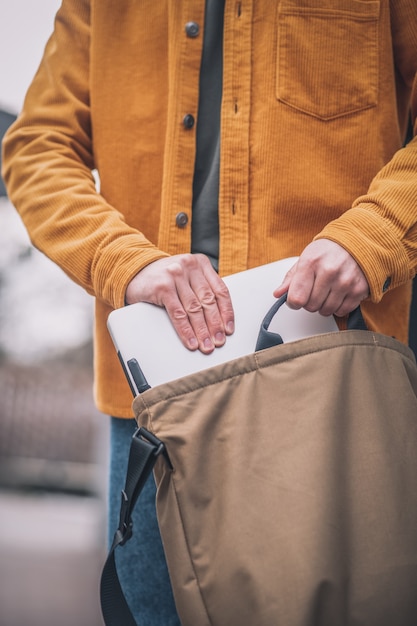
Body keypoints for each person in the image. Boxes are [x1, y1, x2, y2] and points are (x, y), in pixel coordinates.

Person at [2, 0, 417, 623]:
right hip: (154, 404)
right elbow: (36, 148)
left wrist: (374, 234)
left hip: (334, 390)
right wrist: (126, 262)